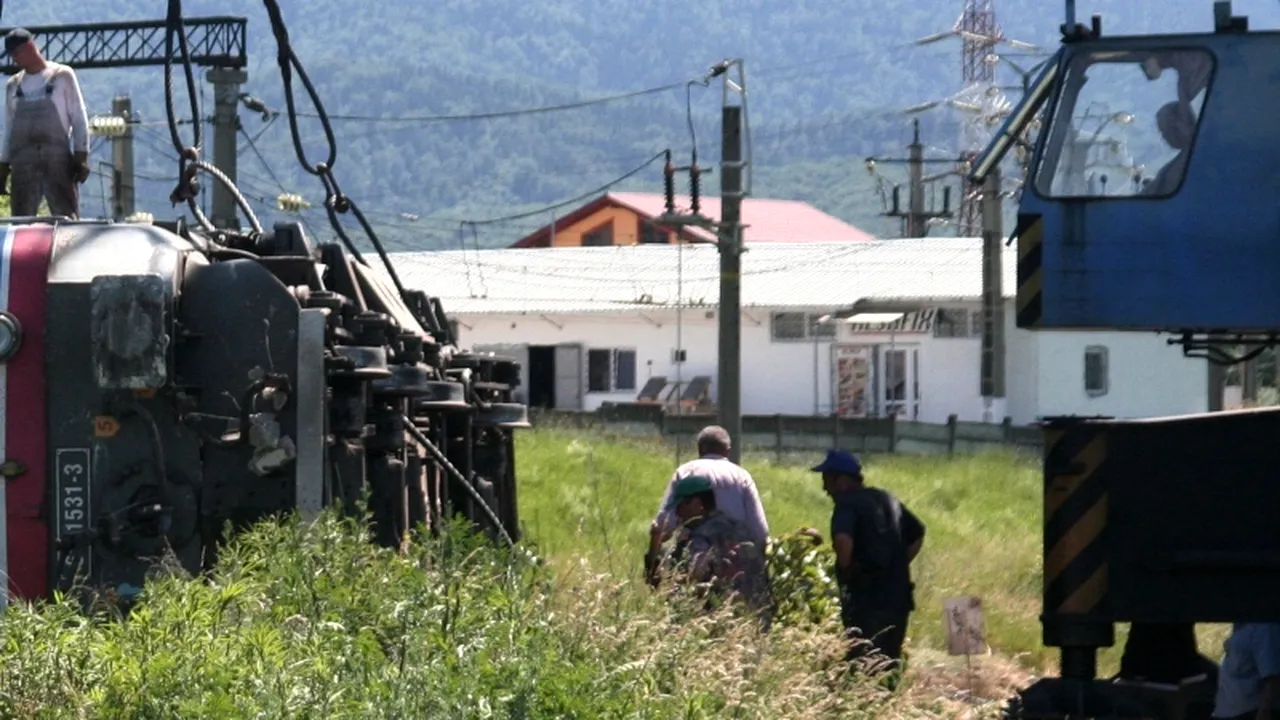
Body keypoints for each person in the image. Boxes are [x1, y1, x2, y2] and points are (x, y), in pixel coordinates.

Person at [813, 448, 924, 668]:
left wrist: (846, 570)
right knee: (888, 663)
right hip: (898, 598)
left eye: (827, 479)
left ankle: (863, 702)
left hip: (866, 600)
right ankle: (889, 700)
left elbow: (844, 540)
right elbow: (918, 533)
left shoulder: (847, 504)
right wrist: (898, 564)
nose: (825, 488)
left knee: (863, 663)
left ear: (843, 480)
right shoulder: (886, 498)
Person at [649, 474, 773, 621]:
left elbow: (691, 575)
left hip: (721, 621)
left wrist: (657, 545)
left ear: (697, 504)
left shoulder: (701, 536)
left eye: (681, 505)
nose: (678, 512)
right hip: (759, 616)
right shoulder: (741, 529)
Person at [0, 28, 91, 218]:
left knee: (67, 219)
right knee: (21, 222)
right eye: (11, 55)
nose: (14, 59)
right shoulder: (13, 86)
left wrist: (81, 155)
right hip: (22, 164)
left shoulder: (62, 76)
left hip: (57, 161)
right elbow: (8, 130)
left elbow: (79, 118)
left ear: (30, 47)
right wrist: (3, 166)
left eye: (17, 53)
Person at [649, 425, 769, 562]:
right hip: (734, 561)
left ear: (699, 449)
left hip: (694, 558)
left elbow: (663, 526)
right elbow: (760, 531)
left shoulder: (686, 472)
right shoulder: (742, 476)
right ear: (728, 451)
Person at [1211, 623, 1280, 720]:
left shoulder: (1265, 628)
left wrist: (1264, 711)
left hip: (1249, 711)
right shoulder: (1241, 626)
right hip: (1228, 710)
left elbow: (1272, 676)